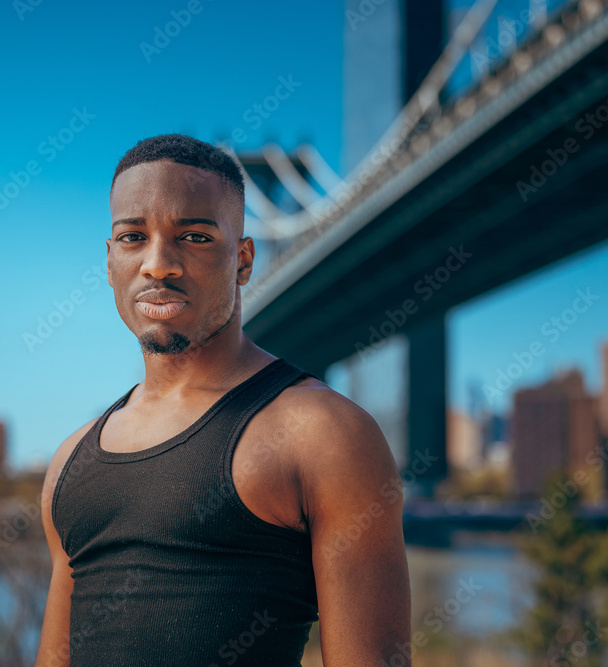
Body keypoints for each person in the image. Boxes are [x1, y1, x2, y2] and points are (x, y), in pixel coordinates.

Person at [36, 133, 410, 666]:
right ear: (110, 260)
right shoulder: (68, 463)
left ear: (243, 260)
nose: (158, 264)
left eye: (194, 237)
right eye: (132, 237)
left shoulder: (324, 434)